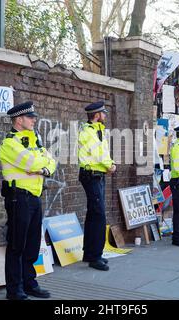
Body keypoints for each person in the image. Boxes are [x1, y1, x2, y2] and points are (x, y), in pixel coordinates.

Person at [0, 101, 56, 300]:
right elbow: (33, 163)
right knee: (17, 245)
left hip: (34, 197)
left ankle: (30, 283)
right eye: (30, 117)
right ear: (19, 119)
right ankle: (14, 290)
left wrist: (44, 169)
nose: (34, 120)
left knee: (32, 244)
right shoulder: (10, 143)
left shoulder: (33, 141)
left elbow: (52, 161)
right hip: (18, 198)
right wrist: (42, 166)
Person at [78, 101, 116, 271]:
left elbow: (103, 153)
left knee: (94, 214)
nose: (105, 116)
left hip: (97, 175)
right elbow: (98, 153)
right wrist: (110, 165)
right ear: (97, 115)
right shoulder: (89, 132)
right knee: (99, 215)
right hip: (91, 175)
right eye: (103, 113)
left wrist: (108, 164)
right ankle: (95, 257)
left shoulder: (98, 131)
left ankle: (89, 253)